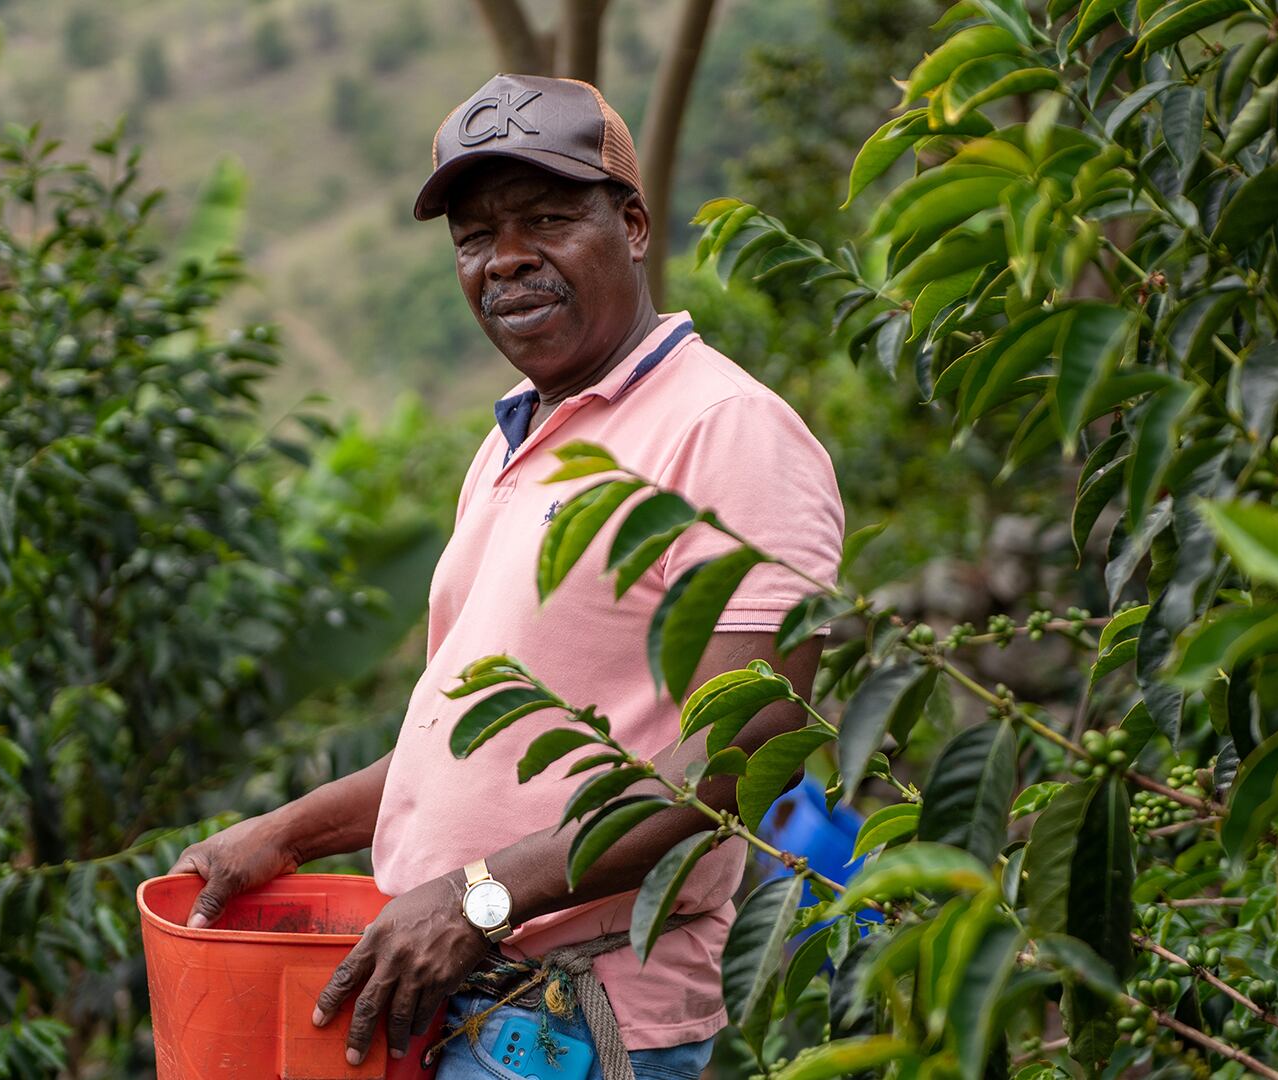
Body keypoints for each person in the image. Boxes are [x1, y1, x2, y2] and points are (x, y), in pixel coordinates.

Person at [167, 73, 844, 1079]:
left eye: (547, 220)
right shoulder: (511, 443)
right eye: (475, 237)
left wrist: (478, 898)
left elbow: (744, 756)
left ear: (633, 226)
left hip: (571, 1022)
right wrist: (288, 832)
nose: (508, 257)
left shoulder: (726, 430)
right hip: (449, 1005)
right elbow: (464, 749)